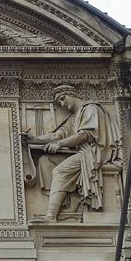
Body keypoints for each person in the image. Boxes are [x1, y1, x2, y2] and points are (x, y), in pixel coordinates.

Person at [21, 84, 122, 221]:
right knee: (45, 160)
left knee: (60, 171)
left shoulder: (91, 108)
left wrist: (60, 144)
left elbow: (85, 135)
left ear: (72, 94)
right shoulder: (73, 118)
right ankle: (65, 204)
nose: (62, 104)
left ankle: (51, 214)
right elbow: (57, 136)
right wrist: (34, 139)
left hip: (94, 153)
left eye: (63, 98)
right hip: (81, 153)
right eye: (59, 102)